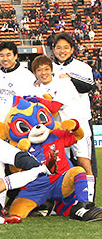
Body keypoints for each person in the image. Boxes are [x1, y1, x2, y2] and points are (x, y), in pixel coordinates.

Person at [29, 54, 94, 196]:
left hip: (77, 126)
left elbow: (54, 107)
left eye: (46, 69)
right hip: (58, 131)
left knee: (83, 161)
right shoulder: (37, 88)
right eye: (39, 70)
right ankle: (65, 199)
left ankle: (88, 198)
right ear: (35, 73)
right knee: (60, 165)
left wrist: (37, 100)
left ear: (52, 70)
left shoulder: (64, 83)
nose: (43, 73)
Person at [0, 41, 36, 106]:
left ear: (15, 56)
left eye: (8, 55)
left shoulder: (27, 76)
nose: (5, 59)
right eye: (2, 56)